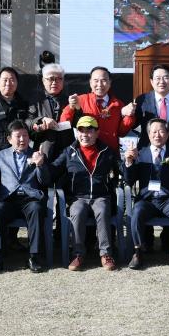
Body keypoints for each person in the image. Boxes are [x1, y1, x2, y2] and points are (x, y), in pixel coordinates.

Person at [49, 115, 122, 272]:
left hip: (101, 196)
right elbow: (53, 171)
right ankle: (78, 254)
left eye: (89, 131)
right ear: (77, 133)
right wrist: (41, 162)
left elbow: (121, 171)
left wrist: (129, 162)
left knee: (102, 211)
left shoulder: (107, 151)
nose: (85, 134)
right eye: (81, 130)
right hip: (77, 197)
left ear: (97, 133)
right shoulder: (69, 151)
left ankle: (106, 254)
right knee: (78, 211)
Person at [0, 120, 48, 275]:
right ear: (9, 139)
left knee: (36, 209)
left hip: (30, 199)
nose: (22, 139)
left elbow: (45, 181)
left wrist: (40, 165)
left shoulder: (36, 154)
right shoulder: (0, 155)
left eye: (25, 136)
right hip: (9, 198)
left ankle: (34, 256)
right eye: (18, 136)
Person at [122, 118, 169, 271]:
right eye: (153, 131)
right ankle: (138, 251)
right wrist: (128, 162)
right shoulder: (139, 154)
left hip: (167, 198)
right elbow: (129, 180)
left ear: (167, 134)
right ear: (148, 134)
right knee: (137, 212)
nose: (157, 135)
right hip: (147, 200)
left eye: (161, 131)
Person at [59, 66, 136, 153]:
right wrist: (71, 107)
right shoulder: (80, 100)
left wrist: (129, 116)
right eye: (96, 80)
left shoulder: (118, 104)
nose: (99, 84)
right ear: (90, 82)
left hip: (110, 154)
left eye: (104, 80)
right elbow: (64, 125)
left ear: (110, 83)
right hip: (85, 155)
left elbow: (122, 133)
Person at [129, 63, 169, 152]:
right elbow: (133, 125)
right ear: (151, 81)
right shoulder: (142, 100)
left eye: (166, 78)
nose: (162, 81)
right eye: (157, 78)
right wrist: (128, 114)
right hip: (147, 152)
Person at [28, 62, 74, 160]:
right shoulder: (35, 101)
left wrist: (77, 108)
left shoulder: (70, 101)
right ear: (43, 80)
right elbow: (27, 122)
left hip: (66, 153)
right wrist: (41, 120)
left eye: (59, 79)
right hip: (43, 152)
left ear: (63, 81)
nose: (54, 82)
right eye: (51, 79)